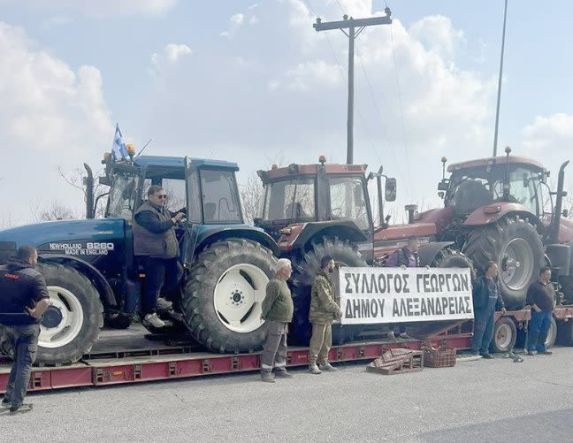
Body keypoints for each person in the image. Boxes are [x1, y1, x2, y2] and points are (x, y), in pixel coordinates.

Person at [0, 245, 50, 414]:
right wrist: (36, 313)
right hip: (26, 326)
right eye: (35, 258)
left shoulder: (1, 271)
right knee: (25, 364)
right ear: (29, 259)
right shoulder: (34, 276)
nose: (36, 261)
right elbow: (45, 301)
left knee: (17, 361)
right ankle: (16, 403)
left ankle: (8, 398)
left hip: (5, 326)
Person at [133, 185, 185, 328]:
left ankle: (163, 303)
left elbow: (172, 215)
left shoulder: (161, 210)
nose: (163, 199)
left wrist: (183, 212)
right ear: (150, 197)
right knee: (153, 284)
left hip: (166, 255)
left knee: (178, 273)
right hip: (152, 256)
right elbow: (157, 227)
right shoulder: (144, 212)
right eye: (159, 196)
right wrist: (174, 220)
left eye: (164, 196)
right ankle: (150, 314)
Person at [260, 259, 294, 383]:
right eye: (289, 268)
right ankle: (266, 372)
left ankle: (280, 369)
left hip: (284, 321)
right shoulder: (274, 283)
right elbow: (268, 302)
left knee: (282, 346)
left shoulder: (284, 283)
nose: (291, 270)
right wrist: (264, 314)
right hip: (275, 321)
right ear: (282, 270)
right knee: (272, 347)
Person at [308, 256, 343, 375]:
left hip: (326, 316)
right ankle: (313, 364)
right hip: (320, 316)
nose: (334, 266)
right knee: (317, 341)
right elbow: (326, 299)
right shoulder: (320, 280)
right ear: (328, 264)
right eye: (332, 264)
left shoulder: (327, 279)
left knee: (327, 341)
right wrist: (337, 309)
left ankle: (324, 362)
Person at [386, 238, 421, 338]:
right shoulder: (399, 253)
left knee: (404, 309)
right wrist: (398, 269)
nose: (418, 245)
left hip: (408, 288)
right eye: (417, 243)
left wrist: (425, 269)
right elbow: (388, 266)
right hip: (397, 287)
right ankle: (391, 331)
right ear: (412, 243)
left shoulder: (415, 255)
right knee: (395, 308)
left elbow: (417, 270)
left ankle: (403, 332)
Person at [471, 262, 506, 358]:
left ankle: (484, 350)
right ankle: (475, 350)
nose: (496, 271)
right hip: (481, 310)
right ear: (489, 269)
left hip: (491, 310)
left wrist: (502, 306)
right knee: (479, 330)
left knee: (489, 331)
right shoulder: (479, 282)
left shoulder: (494, 283)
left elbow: (498, 296)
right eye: (495, 269)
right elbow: (472, 295)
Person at [526, 267, 556, 356]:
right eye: (547, 274)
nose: (549, 276)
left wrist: (554, 306)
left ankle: (541, 348)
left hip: (548, 311)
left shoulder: (550, 285)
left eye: (550, 274)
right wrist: (536, 308)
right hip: (538, 312)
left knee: (545, 330)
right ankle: (531, 348)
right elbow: (529, 299)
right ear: (542, 274)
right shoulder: (534, 285)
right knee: (535, 330)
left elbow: (553, 296)